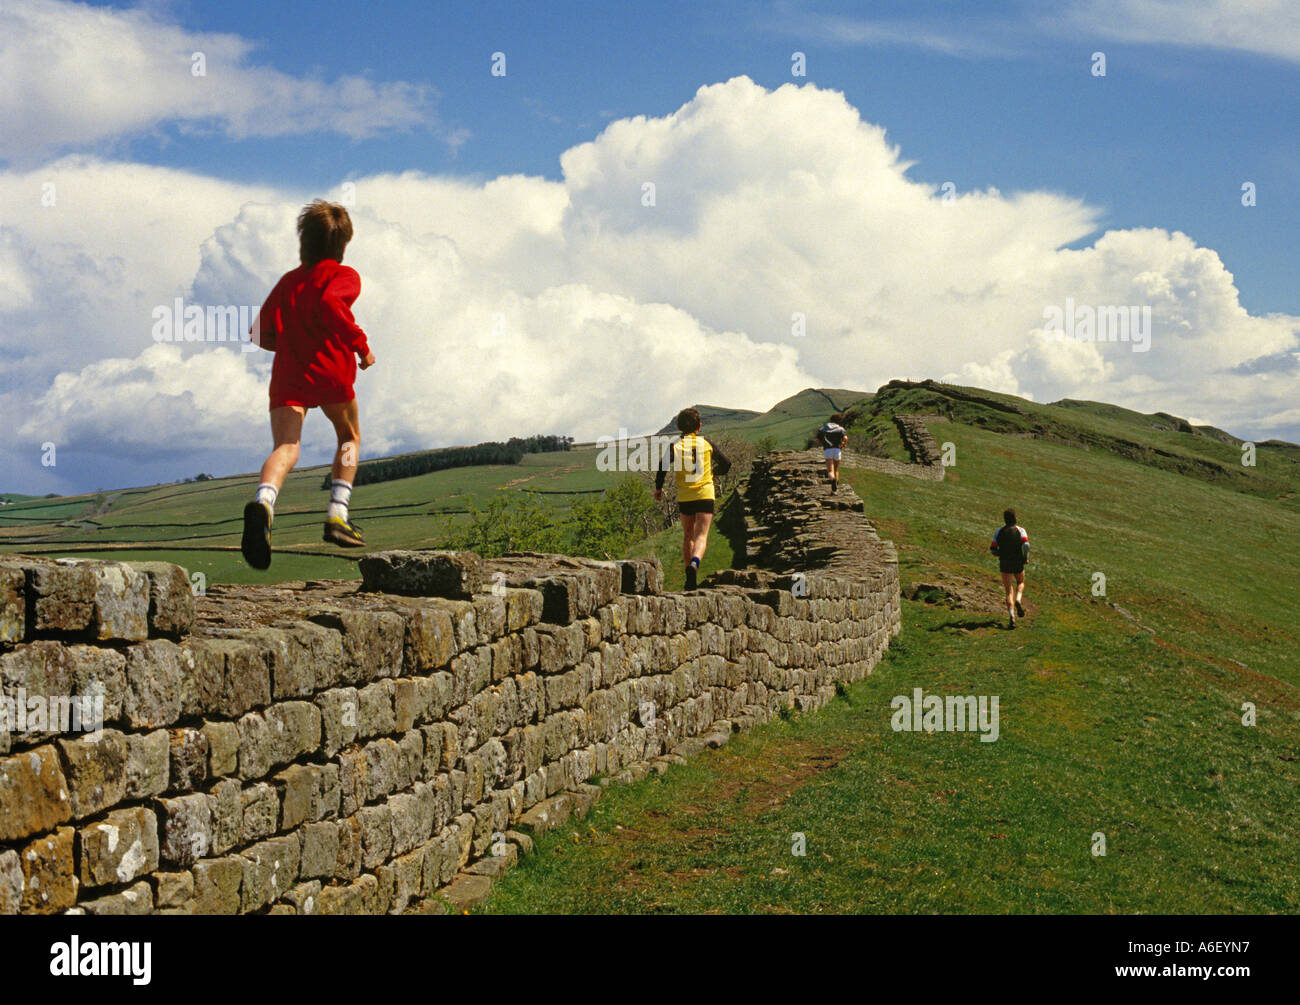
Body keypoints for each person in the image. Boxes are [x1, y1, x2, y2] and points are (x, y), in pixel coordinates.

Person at [241, 200, 375, 570]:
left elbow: (258, 334)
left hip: (289, 375)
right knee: (349, 438)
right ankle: (337, 514)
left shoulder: (288, 282)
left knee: (286, 446)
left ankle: (264, 504)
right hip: (331, 370)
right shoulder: (344, 275)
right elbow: (333, 303)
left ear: (304, 240)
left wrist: (289, 344)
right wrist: (360, 345)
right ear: (343, 242)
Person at [654, 408, 732, 590]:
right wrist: (714, 473)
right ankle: (695, 563)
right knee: (701, 535)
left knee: (688, 535)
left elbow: (662, 467)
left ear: (680, 427)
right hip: (705, 494)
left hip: (685, 496)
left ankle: (690, 579)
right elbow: (726, 463)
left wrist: (659, 488)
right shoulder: (706, 443)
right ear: (699, 426)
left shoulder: (675, 446)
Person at [989, 508, 1029, 629]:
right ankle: (1018, 599)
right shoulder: (1020, 530)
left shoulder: (999, 531)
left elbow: (992, 549)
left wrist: (1000, 555)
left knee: (1008, 590)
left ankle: (1011, 615)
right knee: (1020, 582)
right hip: (1018, 561)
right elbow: (1026, 544)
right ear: (1015, 518)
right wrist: (1025, 557)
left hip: (1004, 563)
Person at [815, 414, 849, 492]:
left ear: (831, 420)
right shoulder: (840, 429)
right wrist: (843, 443)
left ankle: (832, 479)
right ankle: (835, 488)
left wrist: (823, 443)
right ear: (839, 421)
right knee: (836, 470)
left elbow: (817, 439)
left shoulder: (823, 428)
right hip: (837, 450)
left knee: (830, 471)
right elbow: (845, 437)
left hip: (828, 450)